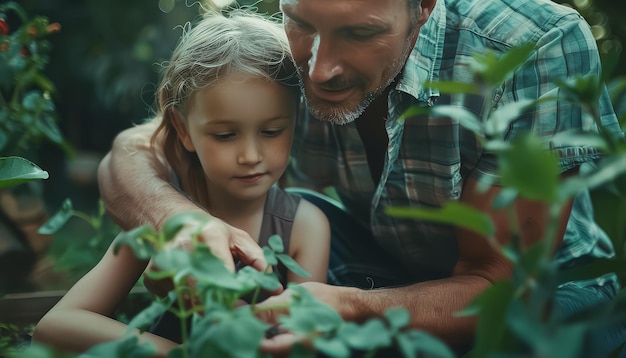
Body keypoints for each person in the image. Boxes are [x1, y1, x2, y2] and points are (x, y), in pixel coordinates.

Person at [98, 0, 626, 356]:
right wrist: (180, 220)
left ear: (422, 7)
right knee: (287, 211)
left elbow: (499, 282)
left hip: (538, 292)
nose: (320, 69)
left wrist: (349, 305)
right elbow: (133, 152)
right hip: (372, 262)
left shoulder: (531, 43)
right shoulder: (289, 52)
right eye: (300, 22)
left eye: (361, 33)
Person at [32, 10, 330, 356]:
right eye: (225, 135)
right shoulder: (163, 221)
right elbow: (56, 325)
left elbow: (305, 342)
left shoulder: (305, 227)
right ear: (184, 129)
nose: (250, 154)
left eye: (271, 131)